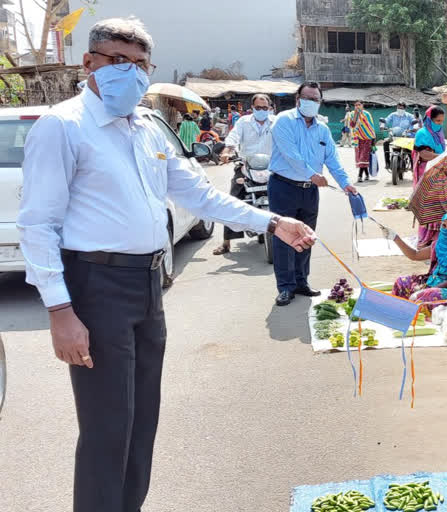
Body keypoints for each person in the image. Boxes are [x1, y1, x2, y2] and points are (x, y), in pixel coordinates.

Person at [16, 17, 316, 512]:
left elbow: (198, 195)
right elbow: (38, 224)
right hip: (95, 285)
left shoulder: (145, 127)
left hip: (147, 283)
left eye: (139, 64)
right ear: (89, 62)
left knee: (140, 423)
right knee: (107, 427)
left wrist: (272, 221)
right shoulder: (64, 127)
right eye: (117, 60)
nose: (129, 73)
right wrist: (59, 311)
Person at [269, 81, 357, 306]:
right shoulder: (284, 121)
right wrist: (312, 175)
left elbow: (332, 159)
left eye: (315, 99)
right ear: (298, 99)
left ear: (320, 102)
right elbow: (291, 155)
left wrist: (346, 183)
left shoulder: (323, 129)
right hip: (284, 187)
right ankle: (286, 287)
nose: (311, 102)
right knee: (283, 238)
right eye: (306, 98)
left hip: (309, 192)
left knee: (306, 237)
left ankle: (301, 282)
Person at [213, 93, 276, 255]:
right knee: (233, 200)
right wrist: (227, 151)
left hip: (272, 167)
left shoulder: (276, 122)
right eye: (258, 108)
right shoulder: (243, 122)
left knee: (287, 197)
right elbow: (233, 137)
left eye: (264, 108)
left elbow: (286, 139)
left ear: (269, 108)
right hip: (246, 166)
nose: (261, 110)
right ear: (252, 108)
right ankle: (226, 242)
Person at [380, 211, 447, 303]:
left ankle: (416, 312)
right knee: (401, 282)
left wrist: (427, 290)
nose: (446, 230)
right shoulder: (439, 243)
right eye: (444, 226)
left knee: (428, 296)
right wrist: (395, 238)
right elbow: (415, 255)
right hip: (436, 282)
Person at [413, 105, 446, 248]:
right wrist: (442, 156)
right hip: (426, 174)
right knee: (429, 204)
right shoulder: (423, 133)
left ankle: (436, 238)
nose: (440, 124)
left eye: (441, 121)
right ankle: (426, 238)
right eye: (437, 121)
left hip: (437, 172)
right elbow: (424, 154)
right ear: (429, 120)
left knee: (438, 205)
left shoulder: (439, 134)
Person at [383, 100, 416, 169]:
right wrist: (382, 125)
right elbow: (386, 120)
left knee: (410, 149)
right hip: (394, 136)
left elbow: (414, 123)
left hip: (405, 136)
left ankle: (413, 166)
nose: (400, 109)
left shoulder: (409, 116)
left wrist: (414, 128)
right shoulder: (393, 115)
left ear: (404, 108)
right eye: (398, 108)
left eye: (401, 108)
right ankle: (387, 162)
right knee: (385, 142)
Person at [349, 100, 375, 183]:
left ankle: (360, 176)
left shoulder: (367, 114)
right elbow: (352, 125)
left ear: (362, 105)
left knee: (363, 157)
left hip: (367, 138)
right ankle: (366, 174)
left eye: (359, 105)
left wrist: (373, 141)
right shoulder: (352, 114)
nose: (357, 106)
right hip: (357, 138)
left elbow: (370, 127)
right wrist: (356, 115)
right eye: (356, 105)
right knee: (360, 157)